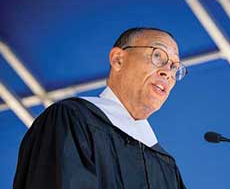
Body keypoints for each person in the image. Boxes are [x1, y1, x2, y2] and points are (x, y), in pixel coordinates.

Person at [13, 27, 187, 189]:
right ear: (118, 59)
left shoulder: (166, 166)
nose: (168, 73)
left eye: (174, 67)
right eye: (158, 56)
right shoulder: (73, 120)